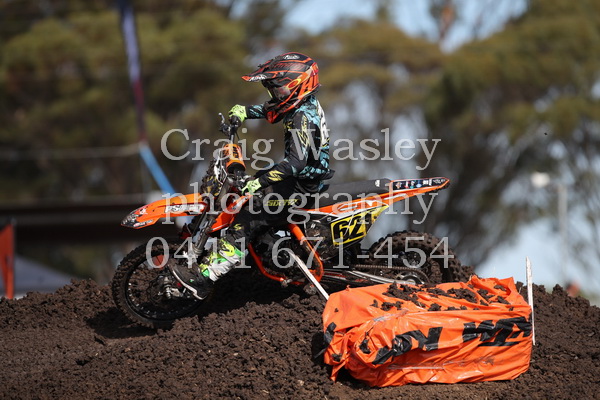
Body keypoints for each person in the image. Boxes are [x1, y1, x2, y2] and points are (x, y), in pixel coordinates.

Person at [172, 52, 333, 299]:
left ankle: (204, 278)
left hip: (303, 184)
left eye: (278, 89)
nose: (274, 94)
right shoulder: (300, 104)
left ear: (298, 85)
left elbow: (295, 163)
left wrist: (259, 183)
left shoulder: (303, 117)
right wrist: (244, 112)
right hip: (299, 178)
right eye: (272, 89)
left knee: (248, 217)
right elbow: (272, 110)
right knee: (248, 188)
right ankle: (262, 247)